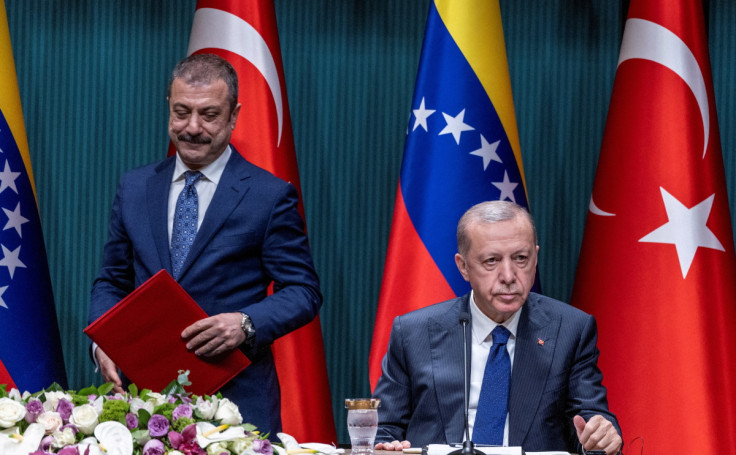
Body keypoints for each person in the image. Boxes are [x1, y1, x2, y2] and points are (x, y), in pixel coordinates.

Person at [87, 53, 322, 435]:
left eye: (209, 115)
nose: (192, 128)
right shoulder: (134, 187)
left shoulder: (270, 195)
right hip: (143, 405)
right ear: (168, 107)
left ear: (234, 115)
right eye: (181, 112)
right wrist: (103, 342)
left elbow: (303, 291)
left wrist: (246, 323)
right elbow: (112, 282)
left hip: (235, 404)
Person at [372, 201, 622, 454]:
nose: (509, 275)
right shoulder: (414, 332)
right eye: (491, 261)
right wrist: (387, 445)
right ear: (463, 266)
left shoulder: (571, 329)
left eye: (521, 258)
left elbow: (591, 418)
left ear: (535, 258)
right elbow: (384, 428)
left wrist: (601, 434)